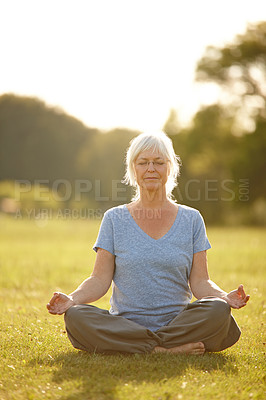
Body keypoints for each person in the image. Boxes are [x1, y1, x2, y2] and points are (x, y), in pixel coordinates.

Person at [47, 131, 250, 355]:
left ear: (170, 168)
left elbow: (201, 282)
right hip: (125, 325)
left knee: (218, 309)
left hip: (178, 325)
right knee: (76, 315)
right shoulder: (114, 219)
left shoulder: (192, 219)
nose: (151, 168)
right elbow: (99, 279)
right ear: (133, 169)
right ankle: (164, 349)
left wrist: (224, 297)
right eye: (143, 162)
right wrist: (72, 299)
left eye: (158, 162)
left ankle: (139, 346)